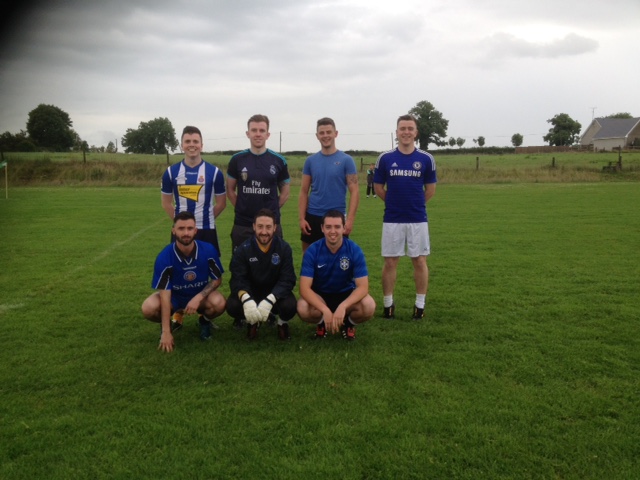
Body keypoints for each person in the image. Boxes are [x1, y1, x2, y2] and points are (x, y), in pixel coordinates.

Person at [373, 114, 437, 320]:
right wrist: (394, 202)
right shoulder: (385, 158)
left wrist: (414, 204)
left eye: (410, 128)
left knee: (419, 261)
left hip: (418, 219)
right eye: (403, 129)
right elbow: (378, 188)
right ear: (397, 132)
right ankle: (388, 305)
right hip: (392, 219)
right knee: (390, 262)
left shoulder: (426, 159)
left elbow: (430, 190)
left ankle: (419, 306)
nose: (406, 132)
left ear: (416, 132)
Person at [141, 211, 226, 352]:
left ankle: (204, 321)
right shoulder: (164, 257)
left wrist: (198, 298)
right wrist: (166, 332)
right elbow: (165, 295)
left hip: (199, 296)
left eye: (189, 228)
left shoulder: (208, 250)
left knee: (219, 303)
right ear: (173, 230)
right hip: (174, 298)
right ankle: (167, 326)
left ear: (195, 230)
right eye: (181, 228)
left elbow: (217, 279)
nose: (186, 233)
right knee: (149, 308)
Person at [297, 210, 375, 341]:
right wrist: (324, 309)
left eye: (337, 227)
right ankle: (322, 323)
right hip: (321, 295)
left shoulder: (354, 249)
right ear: (322, 228)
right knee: (302, 307)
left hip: (346, 294)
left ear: (344, 228)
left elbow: (363, 287)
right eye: (328, 227)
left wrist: (343, 306)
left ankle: (348, 325)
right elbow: (304, 288)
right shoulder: (312, 250)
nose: (332, 231)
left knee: (369, 305)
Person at [226, 208, 297, 340]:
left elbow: (288, 279)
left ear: (275, 227)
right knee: (233, 306)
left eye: (268, 227)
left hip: (275, 294)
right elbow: (237, 278)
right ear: (254, 227)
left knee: (290, 306)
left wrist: (271, 299)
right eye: (260, 226)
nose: (264, 232)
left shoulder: (284, 248)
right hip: (252, 292)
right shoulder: (243, 249)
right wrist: (246, 299)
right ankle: (253, 321)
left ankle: (282, 323)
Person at [227, 114, 291, 251]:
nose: (258, 134)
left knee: (273, 262)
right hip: (243, 224)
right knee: (241, 263)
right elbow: (230, 190)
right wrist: (241, 207)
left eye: (262, 130)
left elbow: (285, 192)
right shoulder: (237, 160)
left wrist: (272, 209)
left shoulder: (279, 160)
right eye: (254, 130)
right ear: (248, 133)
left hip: (270, 225)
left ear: (268, 134)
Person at [161, 125, 226, 254]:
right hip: (181, 230)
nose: (192, 145)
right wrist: (181, 223)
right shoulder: (170, 172)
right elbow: (166, 203)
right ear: (182, 146)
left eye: (195, 141)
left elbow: (221, 204)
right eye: (187, 141)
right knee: (178, 264)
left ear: (201, 145)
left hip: (206, 229)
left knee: (210, 265)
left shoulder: (214, 172)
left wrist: (206, 218)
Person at [298, 117, 359, 254]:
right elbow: (303, 191)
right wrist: (302, 218)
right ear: (317, 136)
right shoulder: (310, 161)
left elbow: (354, 191)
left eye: (328, 132)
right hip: (313, 217)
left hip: (336, 218)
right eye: (322, 133)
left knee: (339, 260)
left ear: (335, 133)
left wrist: (350, 220)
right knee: (309, 259)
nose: (325, 136)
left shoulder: (346, 160)